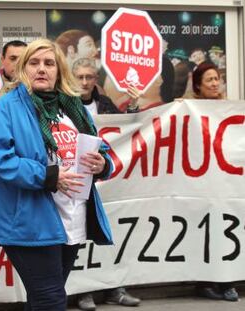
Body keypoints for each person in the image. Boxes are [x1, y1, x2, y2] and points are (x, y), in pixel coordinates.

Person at [0, 38, 114, 311]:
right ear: (22, 69)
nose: (41, 69)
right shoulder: (6, 107)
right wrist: (48, 176)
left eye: (49, 63)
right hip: (30, 221)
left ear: (59, 70)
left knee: (45, 298)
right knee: (51, 300)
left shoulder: (73, 107)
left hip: (70, 219)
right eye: (34, 63)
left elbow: (101, 148)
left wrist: (103, 163)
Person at [72, 58, 141, 311]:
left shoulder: (105, 104)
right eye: (79, 76)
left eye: (89, 77)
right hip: (79, 181)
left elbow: (125, 130)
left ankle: (114, 287)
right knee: (81, 237)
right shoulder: (65, 104)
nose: (84, 82)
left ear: (95, 80)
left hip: (107, 180)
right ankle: (84, 290)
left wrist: (133, 104)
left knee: (108, 235)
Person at [191, 62, 239, 302]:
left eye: (216, 79)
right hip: (201, 181)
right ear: (198, 85)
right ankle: (206, 282)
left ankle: (227, 281)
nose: (214, 83)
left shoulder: (230, 109)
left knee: (226, 228)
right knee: (205, 230)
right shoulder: (187, 109)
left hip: (226, 180)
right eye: (208, 79)